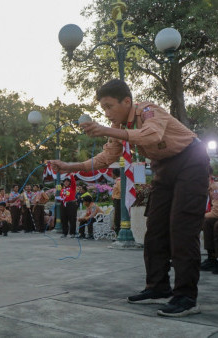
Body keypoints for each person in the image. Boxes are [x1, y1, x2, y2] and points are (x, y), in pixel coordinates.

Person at [49, 79, 209, 317]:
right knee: (154, 229)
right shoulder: (120, 128)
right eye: (103, 108)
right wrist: (68, 167)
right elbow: (104, 158)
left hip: (191, 160)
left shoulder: (149, 110)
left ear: (127, 101)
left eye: (109, 106)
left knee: (182, 228)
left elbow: (151, 136)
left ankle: (186, 296)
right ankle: (157, 287)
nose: (106, 112)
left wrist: (106, 129)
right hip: (163, 168)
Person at [202, 168, 218, 274]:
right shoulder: (206, 188)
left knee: (216, 225)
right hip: (212, 215)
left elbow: (216, 212)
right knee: (207, 223)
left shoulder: (215, 188)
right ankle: (211, 258)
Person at [111, 168, 121, 235]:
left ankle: (118, 234)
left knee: (117, 218)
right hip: (116, 200)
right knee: (116, 217)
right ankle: (117, 233)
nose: (111, 174)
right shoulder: (117, 181)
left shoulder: (119, 182)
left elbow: (121, 191)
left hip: (118, 200)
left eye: (112, 173)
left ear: (114, 174)